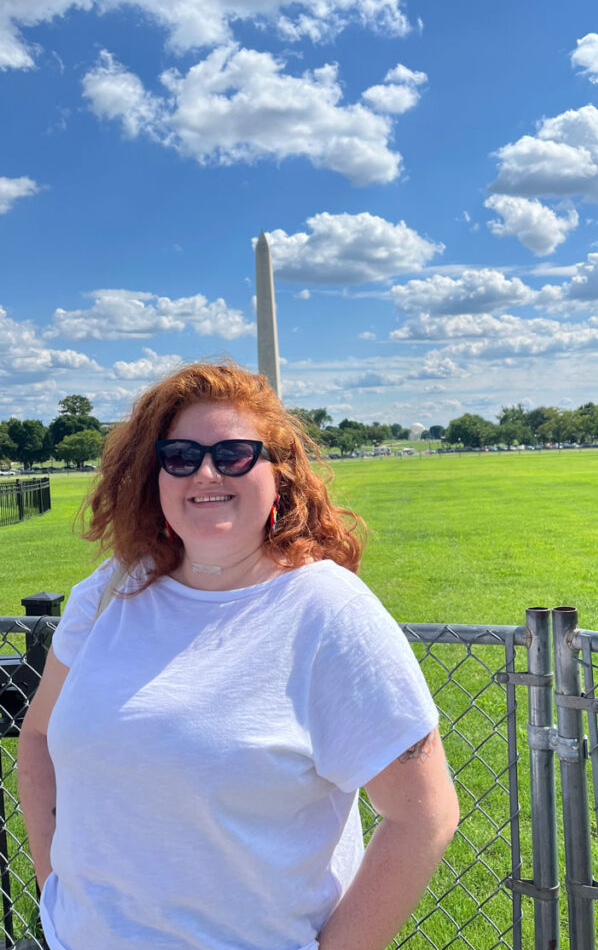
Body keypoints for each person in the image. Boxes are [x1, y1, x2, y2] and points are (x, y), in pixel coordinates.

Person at [18, 362, 458, 950]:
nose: (205, 472)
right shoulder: (107, 593)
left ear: (280, 476)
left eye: (234, 455)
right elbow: (40, 736)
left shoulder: (327, 611)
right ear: (154, 475)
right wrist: (54, 893)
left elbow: (423, 814)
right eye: (180, 455)